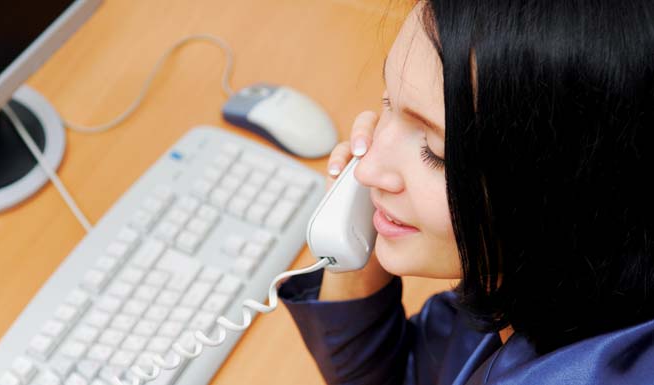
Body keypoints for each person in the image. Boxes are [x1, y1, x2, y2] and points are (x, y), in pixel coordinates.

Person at [278, 1, 654, 384]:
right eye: (388, 101)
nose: (369, 168)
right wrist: (351, 238)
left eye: (435, 151)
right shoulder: (527, 283)